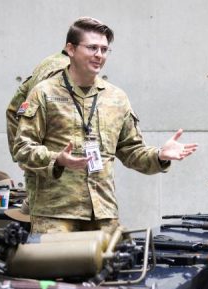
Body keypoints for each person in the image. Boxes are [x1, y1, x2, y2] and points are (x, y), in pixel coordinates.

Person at [12, 17, 197, 234]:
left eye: (104, 49)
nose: (99, 55)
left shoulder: (117, 98)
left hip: (103, 210)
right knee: (57, 269)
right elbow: (22, 149)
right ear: (70, 49)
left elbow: (131, 152)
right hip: (56, 212)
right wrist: (58, 159)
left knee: (115, 266)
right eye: (92, 48)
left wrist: (160, 156)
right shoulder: (44, 92)